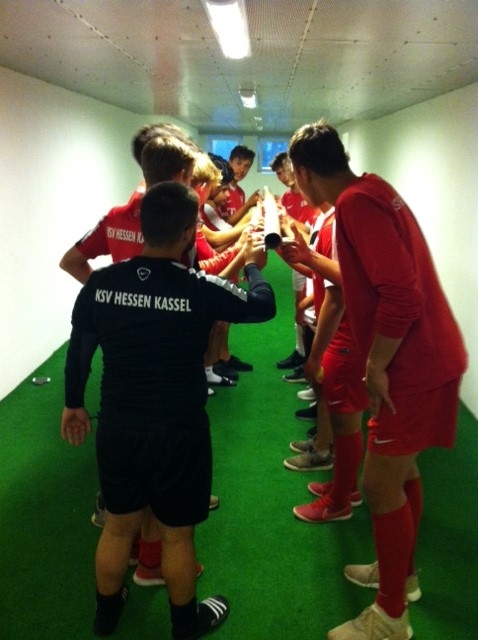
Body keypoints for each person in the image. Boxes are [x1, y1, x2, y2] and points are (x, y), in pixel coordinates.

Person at [60, 181, 276, 638]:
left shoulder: (101, 283)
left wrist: (73, 403)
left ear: (141, 228)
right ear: (188, 233)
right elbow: (263, 305)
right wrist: (252, 265)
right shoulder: (198, 287)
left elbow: (80, 348)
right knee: (177, 533)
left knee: (118, 527)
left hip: (119, 426)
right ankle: (185, 623)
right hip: (179, 431)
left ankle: (106, 615)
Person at [288, 120, 467, 640]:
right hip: (429, 356)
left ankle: (390, 617)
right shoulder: (373, 188)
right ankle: (401, 578)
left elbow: (403, 295)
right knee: (402, 471)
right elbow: (376, 280)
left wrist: (376, 364)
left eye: (294, 177)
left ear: (303, 172)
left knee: (379, 483)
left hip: (413, 365)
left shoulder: (355, 205)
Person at [282, 209, 368, 515]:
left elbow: (340, 293)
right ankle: (345, 487)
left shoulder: (340, 223)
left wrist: (315, 355)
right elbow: (329, 275)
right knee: (343, 418)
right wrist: (305, 258)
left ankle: (340, 501)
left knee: (347, 423)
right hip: (346, 333)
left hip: (345, 335)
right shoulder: (336, 221)